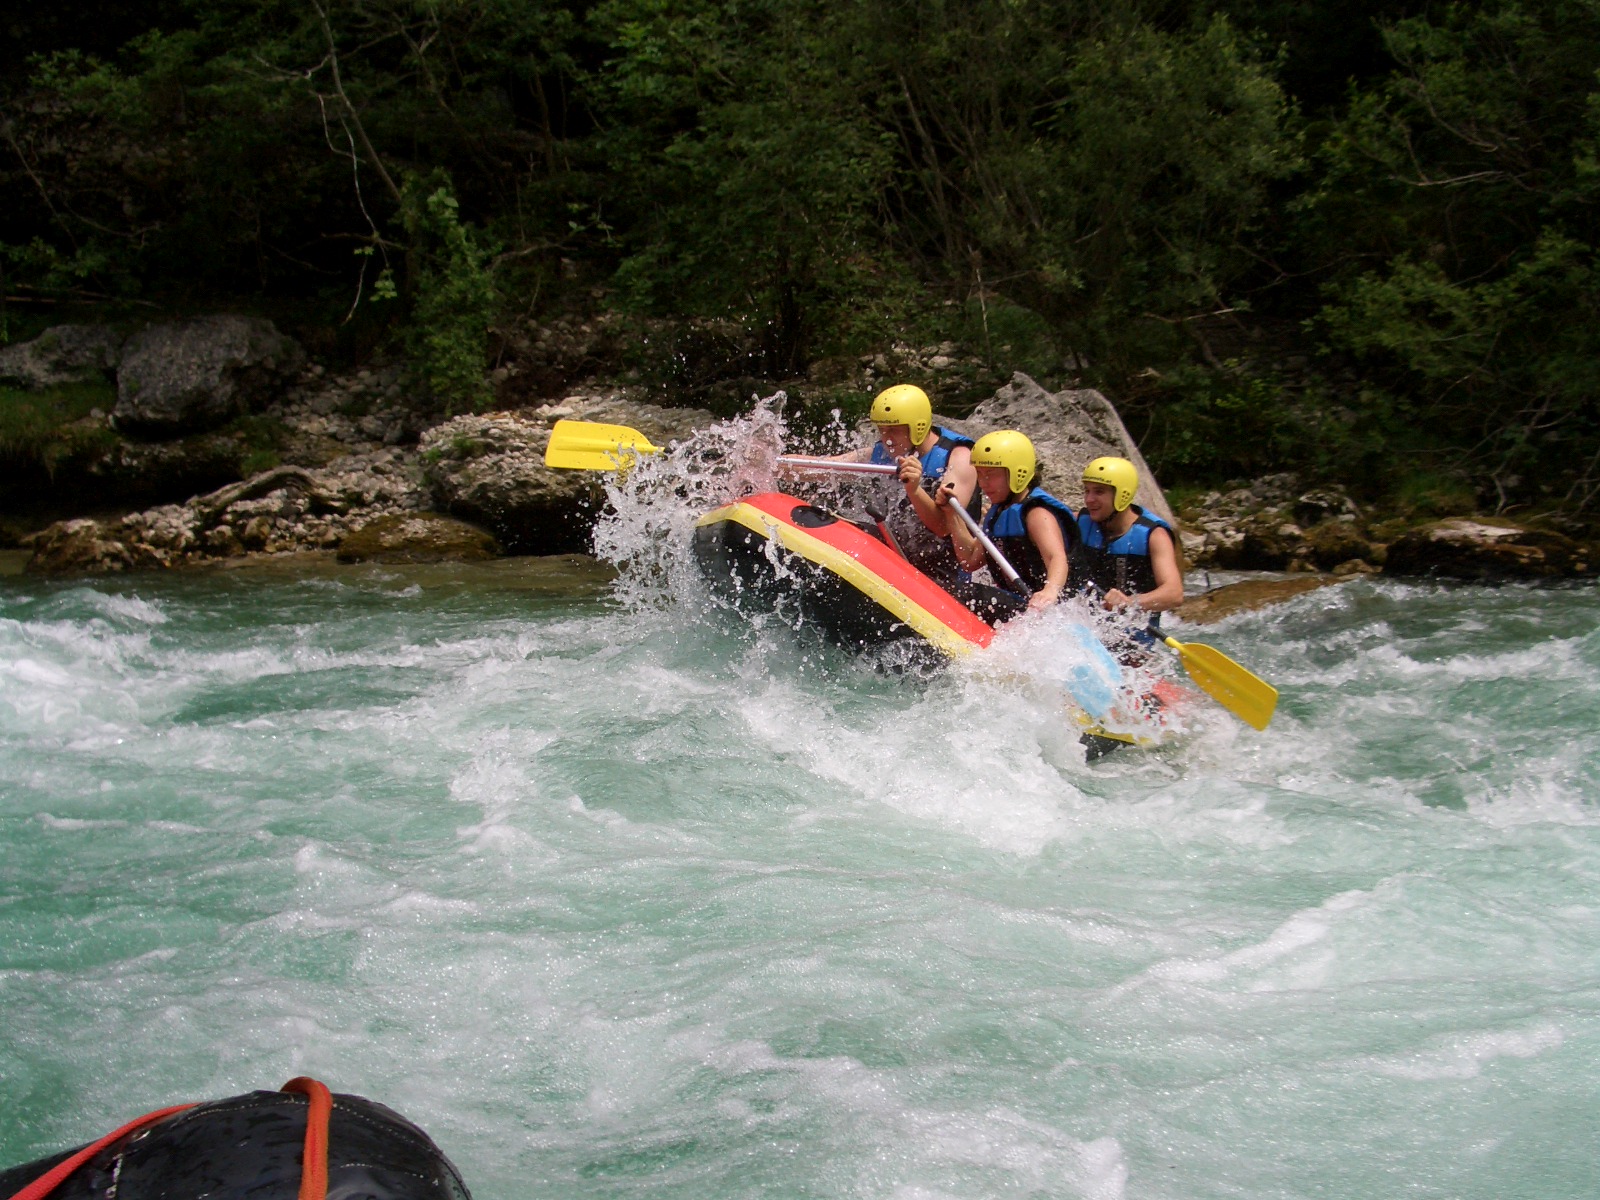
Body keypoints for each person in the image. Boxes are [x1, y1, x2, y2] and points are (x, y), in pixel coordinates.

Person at [829, 384, 979, 586]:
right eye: (882, 431)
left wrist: (914, 490)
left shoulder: (960, 458)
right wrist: (783, 465)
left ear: (918, 428)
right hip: (900, 560)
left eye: (894, 430)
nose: (887, 440)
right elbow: (827, 466)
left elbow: (944, 527)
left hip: (945, 575)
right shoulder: (882, 453)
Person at [935, 429, 1078, 621]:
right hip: (1020, 605)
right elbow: (970, 560)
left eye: (991, 475)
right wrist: (952, 514)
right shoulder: (998, 512)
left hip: (1047, 610)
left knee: (962, 592)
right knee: (950, 585)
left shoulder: (1037, 513)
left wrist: (1050, 591)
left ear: (1018, 472)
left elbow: (1056, 557)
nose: (983, 483)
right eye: (980, 474)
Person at [1074, 456, 1184, 634]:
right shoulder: (1079, 522)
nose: (1089, 499)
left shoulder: (1154, 535)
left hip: (1133, 637)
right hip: (1086, 629)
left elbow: (1174, 593)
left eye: (1099, 492)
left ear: (1122, 495)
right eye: (1087, 491)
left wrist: (1129, 602)